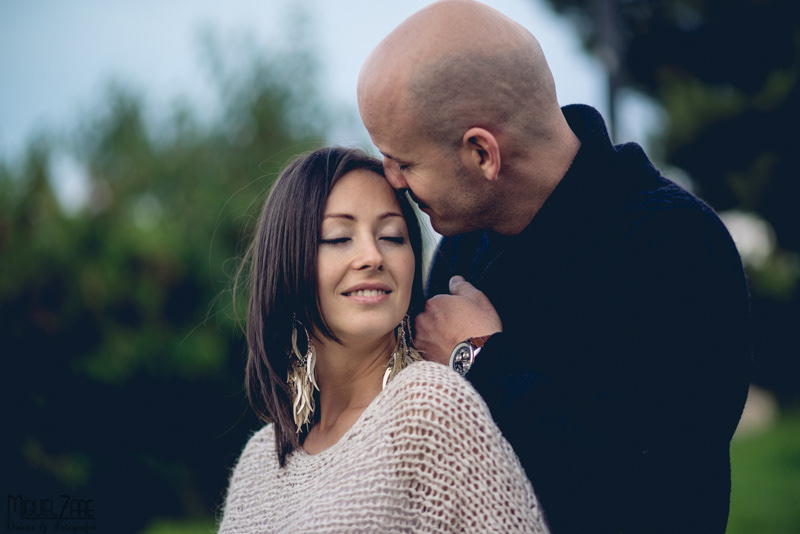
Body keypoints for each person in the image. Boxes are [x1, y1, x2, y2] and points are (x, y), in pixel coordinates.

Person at [357, 1, 752, 532]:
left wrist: (476, 359)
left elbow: (655, 493)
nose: (394, 182)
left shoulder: (677, 248)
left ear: (482, 154)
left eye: (404, 162)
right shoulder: (462, 244)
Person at [217, 147, 549, 533]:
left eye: (392, 236)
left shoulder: (429, 409)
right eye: (339, 238)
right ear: (287, 261)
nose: (372, 256)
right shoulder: (259, 460)